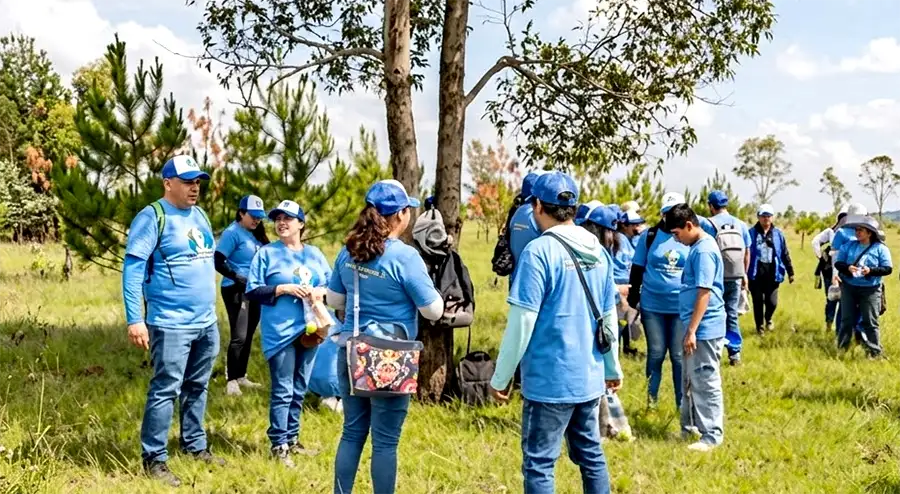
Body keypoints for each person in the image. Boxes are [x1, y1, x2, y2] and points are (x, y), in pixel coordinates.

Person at [489, 171, 622, 493]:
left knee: (539, 463)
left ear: (537, 206)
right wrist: (611, 367)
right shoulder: (598, 250)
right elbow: (608, 317)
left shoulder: (537, 253)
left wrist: (500, 377)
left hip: (550, 380)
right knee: (590, 454)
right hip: (588, 376)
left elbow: (522, 323)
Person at [326, 179, 443, 494]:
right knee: (386, 441)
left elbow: (334, 301)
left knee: (351, 433)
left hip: (350, 351)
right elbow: (433, 310)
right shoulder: (405, 256)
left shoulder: (348, 250)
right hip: (390, 357)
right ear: (402, 215)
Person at [122, 155, 224, 487]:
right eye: (187, 181)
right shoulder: (153, 217)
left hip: (206, 322)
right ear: (168, 183)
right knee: (165, 389)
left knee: (198, 386)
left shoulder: (201, 215)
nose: (195, 187)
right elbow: (133, 269)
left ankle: (195, 445)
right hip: (170, 322)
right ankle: (154, 459)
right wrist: (135, 319)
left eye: (198, 182)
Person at [245, 199, 332, 466]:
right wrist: (282, 289)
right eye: (278, 218)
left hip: (311, 329)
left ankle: (293, 440)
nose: (281, 223)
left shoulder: (315, 254)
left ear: (301, 224)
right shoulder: (266, 254)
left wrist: (321, 292)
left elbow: (331, 285)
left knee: (300, 387)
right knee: (283, 389)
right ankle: (278, 445)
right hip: (280, 333)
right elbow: (252, 290)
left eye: (288, 218)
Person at [665, 203, 726, 452]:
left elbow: (704, 292)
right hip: (694, 324)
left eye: (677, 234)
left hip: (704, 327)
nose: (676, 240)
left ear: (689, 225)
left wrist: (691, 330)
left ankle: (712, 435)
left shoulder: (703, 252)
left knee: (705, 379)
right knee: (690, 379)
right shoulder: (697, 247)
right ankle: (690, 426)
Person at [628, 192, 690, 410]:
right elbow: (637, 267)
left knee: (678, 356)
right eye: (666, 213)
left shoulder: (687, 236)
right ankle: (651, 403)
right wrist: (634, 295)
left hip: (680, 307)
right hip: (652, 305)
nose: (670, 217)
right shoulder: (650, 236)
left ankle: (681, 403)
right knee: (655, 352)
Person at [215, 194, 269, 396]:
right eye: (252, 216)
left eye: (259, 216)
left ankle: (241, 376)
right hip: (235, 289)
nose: (256, 220)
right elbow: (218, 260)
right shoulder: (232, 233)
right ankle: (231, 382)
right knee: (239, 335)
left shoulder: (256, 234)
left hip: (255, 289)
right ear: (241, 213)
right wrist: (237, 277)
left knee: (249, 334)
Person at [577, 205, 639, 357]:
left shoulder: (604, 252)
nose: (613, 236)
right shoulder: (593, 253)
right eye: (610, 231)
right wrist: (617, 291)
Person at [834, 215, 891, 358]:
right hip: (849, 288)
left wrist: (870, 271)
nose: (857, 232)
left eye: (861, 230)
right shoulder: (848, 246)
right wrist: (848, 268)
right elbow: (838, 264)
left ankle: (874, 353)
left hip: (871, 290)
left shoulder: (880, 249)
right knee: (846, 320)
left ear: (869, 233)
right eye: (856, 230)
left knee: (870, 321)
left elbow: (887, 268)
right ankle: (842, 349)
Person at [706, 190, 751, 366]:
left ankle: (714, 351)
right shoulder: (740, 224)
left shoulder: (709, 224)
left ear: (711, 206)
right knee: (731, 313)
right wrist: (743, 273)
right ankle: (735, 353)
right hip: (735, 275)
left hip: (715, 277)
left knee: (712, 313)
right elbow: (747, 252)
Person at [747, 204, 794, 335]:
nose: (765, 219)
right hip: (755, 272)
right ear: (758, 217)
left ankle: (768, 318)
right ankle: (760, 328)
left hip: (773, 272)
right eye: (763, 216)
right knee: (757, 301)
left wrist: (790, 272)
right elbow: (745, 254)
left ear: (772, 218)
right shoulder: (751, 233)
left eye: (768, 216)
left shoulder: (778, 234)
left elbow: (784, 253)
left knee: (772, 302)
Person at [811, 207, 848, 332]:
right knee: (831, 299)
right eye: (843, 217)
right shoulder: (830, 232)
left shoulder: (853, 233)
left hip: (846, 273)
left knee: (845, 302)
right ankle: (829, 324)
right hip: (829, 273)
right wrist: (820, 256)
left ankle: (841, 328)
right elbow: (815, 242)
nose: (845, 220)